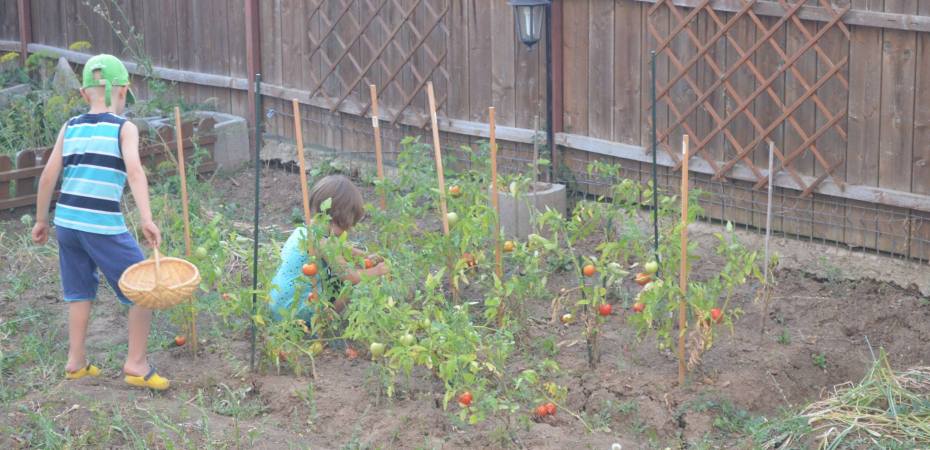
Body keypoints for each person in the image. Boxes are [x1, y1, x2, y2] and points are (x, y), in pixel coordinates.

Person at [31, 54, 168, 390]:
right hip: (100, 224)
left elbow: (48, 175)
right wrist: (146, 218)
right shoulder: (124, 127)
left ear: (83, 93)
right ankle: (136, 364)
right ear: (123, 91)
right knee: (142, 287)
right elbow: (135, 172)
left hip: (67, 223)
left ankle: (76, 362)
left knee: (79, 291)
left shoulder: (70, 126)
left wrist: (41, 220)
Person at [269, 175, 389, 325]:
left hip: (278, 304)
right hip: (296, 311)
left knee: (337, 275)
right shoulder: (323, 242)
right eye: (347, 225)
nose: (348, 230)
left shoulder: (306, 230)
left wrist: (365, 255)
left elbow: (340, 248)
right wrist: (377, 271)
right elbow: (350, 277)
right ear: (338, 218)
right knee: (352, 284)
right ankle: (325, 322)